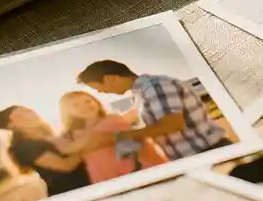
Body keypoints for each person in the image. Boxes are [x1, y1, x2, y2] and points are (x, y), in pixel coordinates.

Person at [77, 60, 231, 160]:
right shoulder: (140, 95)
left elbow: (171, 124)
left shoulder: (155, 86)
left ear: (110, 78)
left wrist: (117, 137)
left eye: (98, 88)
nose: (101, 93)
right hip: (199, 155)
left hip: (211, 152)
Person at [58, 90, 167, 183]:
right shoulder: (72, 134)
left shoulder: (112, 120)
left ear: (96, 102)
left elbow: (138, 142)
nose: (85, 106)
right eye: (75, 105)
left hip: (131, 168)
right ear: (67, 111)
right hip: (102, 174)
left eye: (88, 101)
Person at [0, 106, 91, 197]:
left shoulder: (50, 135)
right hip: (71, 191)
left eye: (28, 111)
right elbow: (66, 166)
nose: (29, 115)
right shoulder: (24, 147)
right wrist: (86, 144)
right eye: (20, 116)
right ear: (11, 125)